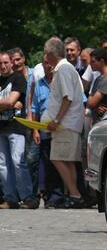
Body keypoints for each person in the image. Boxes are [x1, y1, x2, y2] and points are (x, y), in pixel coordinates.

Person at [43, 37, 86, 208]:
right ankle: (73, 195)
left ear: (51, 53)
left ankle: (75, 194)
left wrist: (56, 120)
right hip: (67, 124)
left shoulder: (63, 70)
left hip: (65, 124)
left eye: (46, 53)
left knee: (57, 158)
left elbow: (67, 98)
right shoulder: (64, 69)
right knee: (67, 160)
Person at [0, 51, 38, 209]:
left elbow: (11, 101)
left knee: (17, 161)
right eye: (0, 63)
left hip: (16, 127)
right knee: (2, 165)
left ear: (11, 63)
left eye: (6, 62)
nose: (3, 66)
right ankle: (10, 198)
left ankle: (28, 197)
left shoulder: (18, 78)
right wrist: (7, 103)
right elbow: (8, 102)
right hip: (1, 128)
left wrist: (9, 103)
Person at [30, 54, 66, 208]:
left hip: (62, 130)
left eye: (51, 62)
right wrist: (35, 131)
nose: (49, 65)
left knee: (60, 164)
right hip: (45, 131)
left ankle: (58, 196)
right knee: (47, 164)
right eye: (46, 62)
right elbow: (35, 110)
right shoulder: (38, 84)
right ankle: (49, 197)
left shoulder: (62, 81)